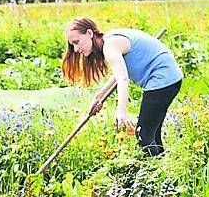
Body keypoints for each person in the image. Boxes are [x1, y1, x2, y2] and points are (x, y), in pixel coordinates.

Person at [62, 17, 183, 156]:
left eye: (77, 42)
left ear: (89, 33)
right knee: (152, 135)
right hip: (169, 79)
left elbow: (123, 78)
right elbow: (119, 73)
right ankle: (162, 169)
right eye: (72, 45)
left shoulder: (110, 45)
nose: (76, 49)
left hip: (163, 79)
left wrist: (121, 111)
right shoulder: (109, 41)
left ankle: (154, 173)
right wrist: (99, 97)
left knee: (143, 136)